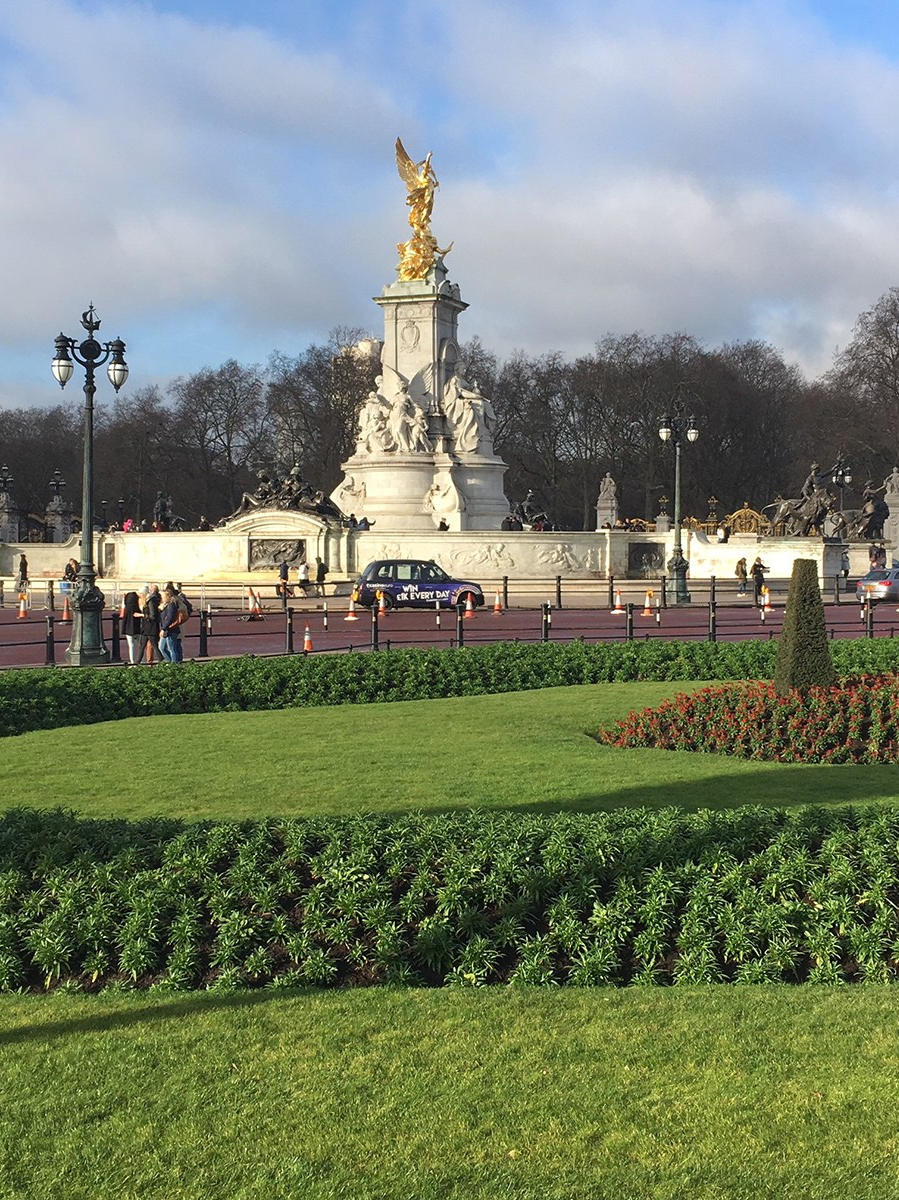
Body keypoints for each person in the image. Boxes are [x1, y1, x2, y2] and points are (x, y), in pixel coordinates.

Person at [158, 586, 183, 663]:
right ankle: (172, 661)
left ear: (167, 596)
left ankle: (175, 664)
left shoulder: (171, 605)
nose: (161, 597)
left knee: (172, 648)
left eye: (162, 596)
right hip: (166, 629)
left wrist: (163, 629)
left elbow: (169, 618)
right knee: (162, 648)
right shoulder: (165, 605)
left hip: (170, 630)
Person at [137, 584, 161, 664]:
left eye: (140, 594)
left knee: (154, 646)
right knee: (142, 646)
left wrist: (142, 615)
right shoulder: (147, 601)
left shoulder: (151, 601)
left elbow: (152, 615)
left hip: (151, 627)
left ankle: (162, 660)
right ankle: (136, 663)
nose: (139, 596)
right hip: (146, 627)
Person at [121, 590, 141, 665]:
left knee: (131, 645)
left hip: (128, 628)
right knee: (140, 645)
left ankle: (132, 661)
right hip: (138, 627)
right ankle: (141, 660)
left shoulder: (127, 608)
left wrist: (123, 629)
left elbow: (124, 619)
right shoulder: (137, 607)